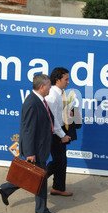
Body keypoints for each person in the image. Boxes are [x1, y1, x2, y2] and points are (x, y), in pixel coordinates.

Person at [0, 74, 57, 213]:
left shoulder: (39, 100)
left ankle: (6, 188)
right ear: (42, 87)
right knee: (40, 178)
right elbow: (28, 129)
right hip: (36, 148)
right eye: (49, 85)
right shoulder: (32, 103)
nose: (51, 87)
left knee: (34, 176)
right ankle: (41, 209)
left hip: (40, 147)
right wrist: (30, 152)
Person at [46, 68, 73, 197]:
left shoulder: (60, 93)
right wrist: (62, 135)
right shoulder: (52, 95)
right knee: (58, 162)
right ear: (57, 80)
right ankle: (34, 180)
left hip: (60, 131)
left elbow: (58, 114)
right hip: (54, 134)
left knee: (62, 161)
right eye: (66, 79)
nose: (68, 82)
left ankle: (58, 187)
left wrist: (68, 113)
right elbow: (52, 119)